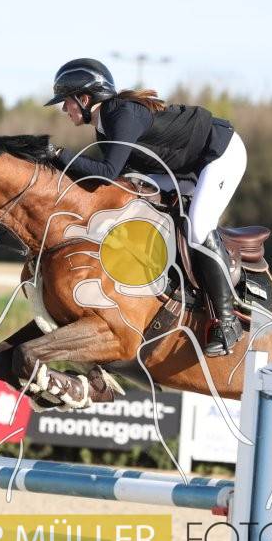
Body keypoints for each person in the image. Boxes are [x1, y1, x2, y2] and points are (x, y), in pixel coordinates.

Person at [44, 57, 247, 356]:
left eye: (66, 101)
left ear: (84, 99)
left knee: (199, 226)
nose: (64, 109)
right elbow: (117, 180)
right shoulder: (105, 125)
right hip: (183, 167)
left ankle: (227, 321)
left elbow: (107, 171)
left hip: (220, 154)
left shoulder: (121, 115)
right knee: (132, 197)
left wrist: (57, 154)